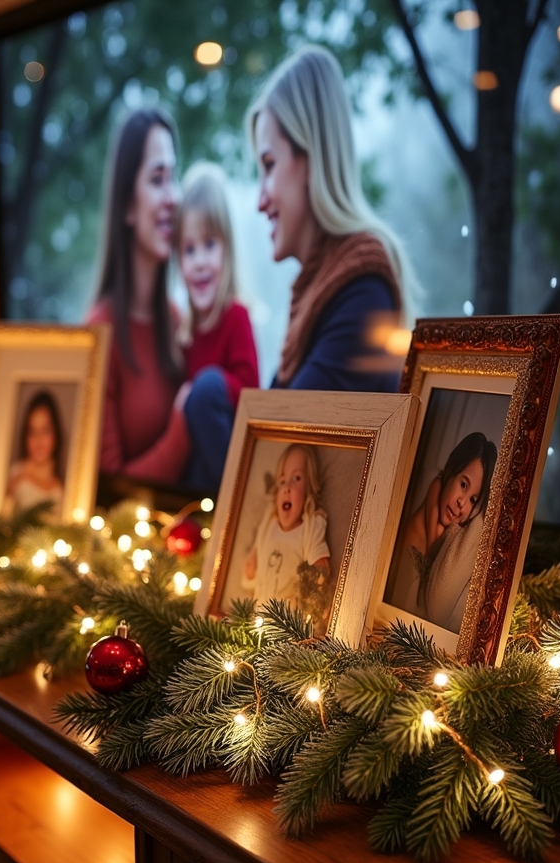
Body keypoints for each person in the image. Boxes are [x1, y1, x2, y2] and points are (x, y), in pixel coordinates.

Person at [183, 45, 417, 490]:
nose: (260, 199)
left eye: (269, 166)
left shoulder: (361, 294)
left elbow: (278, 476)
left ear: (310, 157)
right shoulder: (322, 290)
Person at [87, 108, 189, 486]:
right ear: (128, 206)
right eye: (157, 179)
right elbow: (110, 490)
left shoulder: (178, 320)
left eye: (173, 177)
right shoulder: (100, 333)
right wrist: (183, 427)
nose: (173, 197)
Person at [174, 163, 259, 488]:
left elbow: (250, 389)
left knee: (207, 386)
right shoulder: (185, 332)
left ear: (228, 250)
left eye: (209, 245)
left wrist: (201, 391)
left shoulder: (236, 316)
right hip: (200, 465)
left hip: (233, 451)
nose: (199, 262)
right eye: (189, 249)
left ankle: (236, 499)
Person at [388, 432, 497, 628]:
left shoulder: (439, 496)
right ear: (450, 470)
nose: (462, 503)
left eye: (473, 499)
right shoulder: (436, 490)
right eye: (463, 484)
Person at [243, 444, 330, 610]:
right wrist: (252, 561)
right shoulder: (270, 521)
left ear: (309, 487)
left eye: (296, 478)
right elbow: (258, 548)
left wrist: (318, 579)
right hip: (259, 613)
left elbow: (320, 565)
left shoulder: (311, 525)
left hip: (288, 619)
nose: (287, 488)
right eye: (282, 481)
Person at [5, 390, 64, 515]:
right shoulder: (16, 475)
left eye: (45, 430)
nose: (39, 441)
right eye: (33, 432)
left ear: (56, 434)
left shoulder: (64, 485)